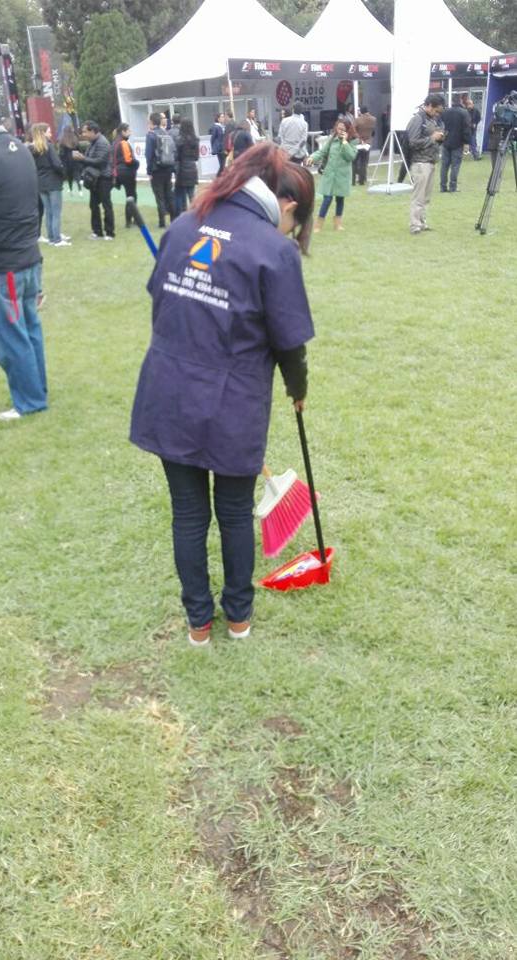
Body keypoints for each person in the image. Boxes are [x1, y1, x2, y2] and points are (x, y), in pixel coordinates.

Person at [130, 143, 315, 647]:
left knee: (189, 513)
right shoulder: (273, 249)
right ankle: (234, 620)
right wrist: (298, 387)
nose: (290, 231)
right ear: (284, 202)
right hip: (230, 401)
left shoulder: (184, 225)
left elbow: (161, 301)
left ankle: (205, 623)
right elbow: (290, 344)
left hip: (170, 391)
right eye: (294, 222)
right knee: (229, 512)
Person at [0, 88, 47, 420]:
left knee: (10, 335)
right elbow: (37, 205)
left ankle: (29, 400)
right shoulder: (20, 148)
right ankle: (37, 391)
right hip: (27, 256)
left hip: (0, 262)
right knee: (29, 329)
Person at [307, 119, 358, 231]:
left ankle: (338, 224)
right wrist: (312, 157)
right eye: (338, 128)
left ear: (348, 130)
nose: (340, 131)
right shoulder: (332, 139)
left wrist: (345, 142)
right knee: (327, 199)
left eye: (342, 129)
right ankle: (318, 224)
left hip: (342, 175)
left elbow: (351, 156)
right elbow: (322, 152)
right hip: (330, 173)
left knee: (340, 199)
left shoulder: (353, 141)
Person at [406, 93, 445, 235]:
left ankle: (422, 222)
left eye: (439, 112)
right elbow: (413, 142)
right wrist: (432, 138)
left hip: (431, 160)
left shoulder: (431, 119)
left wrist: (440, 137)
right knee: (418, 195)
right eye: (436, 110)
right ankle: (414, 224)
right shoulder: (417, 119)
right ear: (428, 105)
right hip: (420, 162)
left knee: (426, 196)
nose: (437, 114)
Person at [28, 123, 70, 247]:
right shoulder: (48, 146)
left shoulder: (31, 149)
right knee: (55, 212)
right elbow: (57, 164)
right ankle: (57, 239)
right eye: (49, 131)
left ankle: (52, 238)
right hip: (53, 182)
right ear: (43, 133)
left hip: (40, 183)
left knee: (48, 211)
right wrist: (63, 173)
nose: (51, 134)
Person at [73, 121, 115, 240]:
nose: (83, 134)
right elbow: (90, 159)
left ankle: (109, 232)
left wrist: (82, 158)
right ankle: (97, 232)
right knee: (93, 205)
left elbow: (100, 161)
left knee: (106, 205)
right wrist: (81, 158)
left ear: (92, 131)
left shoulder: (102, 142)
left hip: (104, 178)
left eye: (85, 132)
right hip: (95, 178)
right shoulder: (92, 142)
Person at [145, 112, 176, 229]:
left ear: (151, 122)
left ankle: (162, 222)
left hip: (156, 169)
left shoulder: (151, 135)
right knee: (169, 195)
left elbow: (148, 155)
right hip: (167, 168)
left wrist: (149, 171)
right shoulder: (166, 133)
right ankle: (173, 219)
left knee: (159, 196)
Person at [440, 97, 470, 192]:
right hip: (458, 142)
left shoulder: (445, 112)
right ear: (460, 102)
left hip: (446, 141)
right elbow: (466, 128)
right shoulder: (464, 113)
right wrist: (466, 142)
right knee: (455, 166)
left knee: (444, 166)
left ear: (452, 102)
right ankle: (453, 187)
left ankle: (443, 186)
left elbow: (441, 125)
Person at [112, 122, 139, 228]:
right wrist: (136, 163)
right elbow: (128, 160)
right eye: (129, 130)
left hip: (118, 172)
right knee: (132, 196)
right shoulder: (123, 143)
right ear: (123, 131)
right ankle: (131, 220)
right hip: (126, 172)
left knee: (129, 195)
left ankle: (130, 220)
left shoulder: (115, 142)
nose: (130, 132)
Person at [174, 117, 199, 214]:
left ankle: (183, 214)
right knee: (192, 194)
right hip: (192, 167)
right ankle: (195, 214)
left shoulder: (179, 140)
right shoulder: (195, 140)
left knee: (181, 195)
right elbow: (196, 157)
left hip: (182, 168)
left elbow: (176, 156)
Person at [353, 105, 376, 185]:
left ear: (361, 111)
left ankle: (354, 180)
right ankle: (362, 180)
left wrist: (359, 138)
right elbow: (373, 131)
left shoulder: (357, 120)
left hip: (359, 142)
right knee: (364, 162)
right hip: (368, 142)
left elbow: (353, 130)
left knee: (355, 162)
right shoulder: (373, 119)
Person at [59, 124, 83, 195]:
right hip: (75, 159)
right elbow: (79, 149)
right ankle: (80, 191)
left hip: (66, 161)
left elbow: (61, 153)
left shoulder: (62, 140)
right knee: (77, 175)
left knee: (69, 176)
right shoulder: (75, 139)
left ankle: (70, 189)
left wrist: (62, 161)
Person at [462, 95, 482, 160]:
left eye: (470, 104)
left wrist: (475, 123)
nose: (469, 105)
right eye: (468, 104)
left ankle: (476, 155)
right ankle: (474, 153)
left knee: (473, 141)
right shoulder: (465, 110)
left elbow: (479, 118)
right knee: (464, 141)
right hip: (465, 129)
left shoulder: (476, 110)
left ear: (473, 104)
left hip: (472, 129)